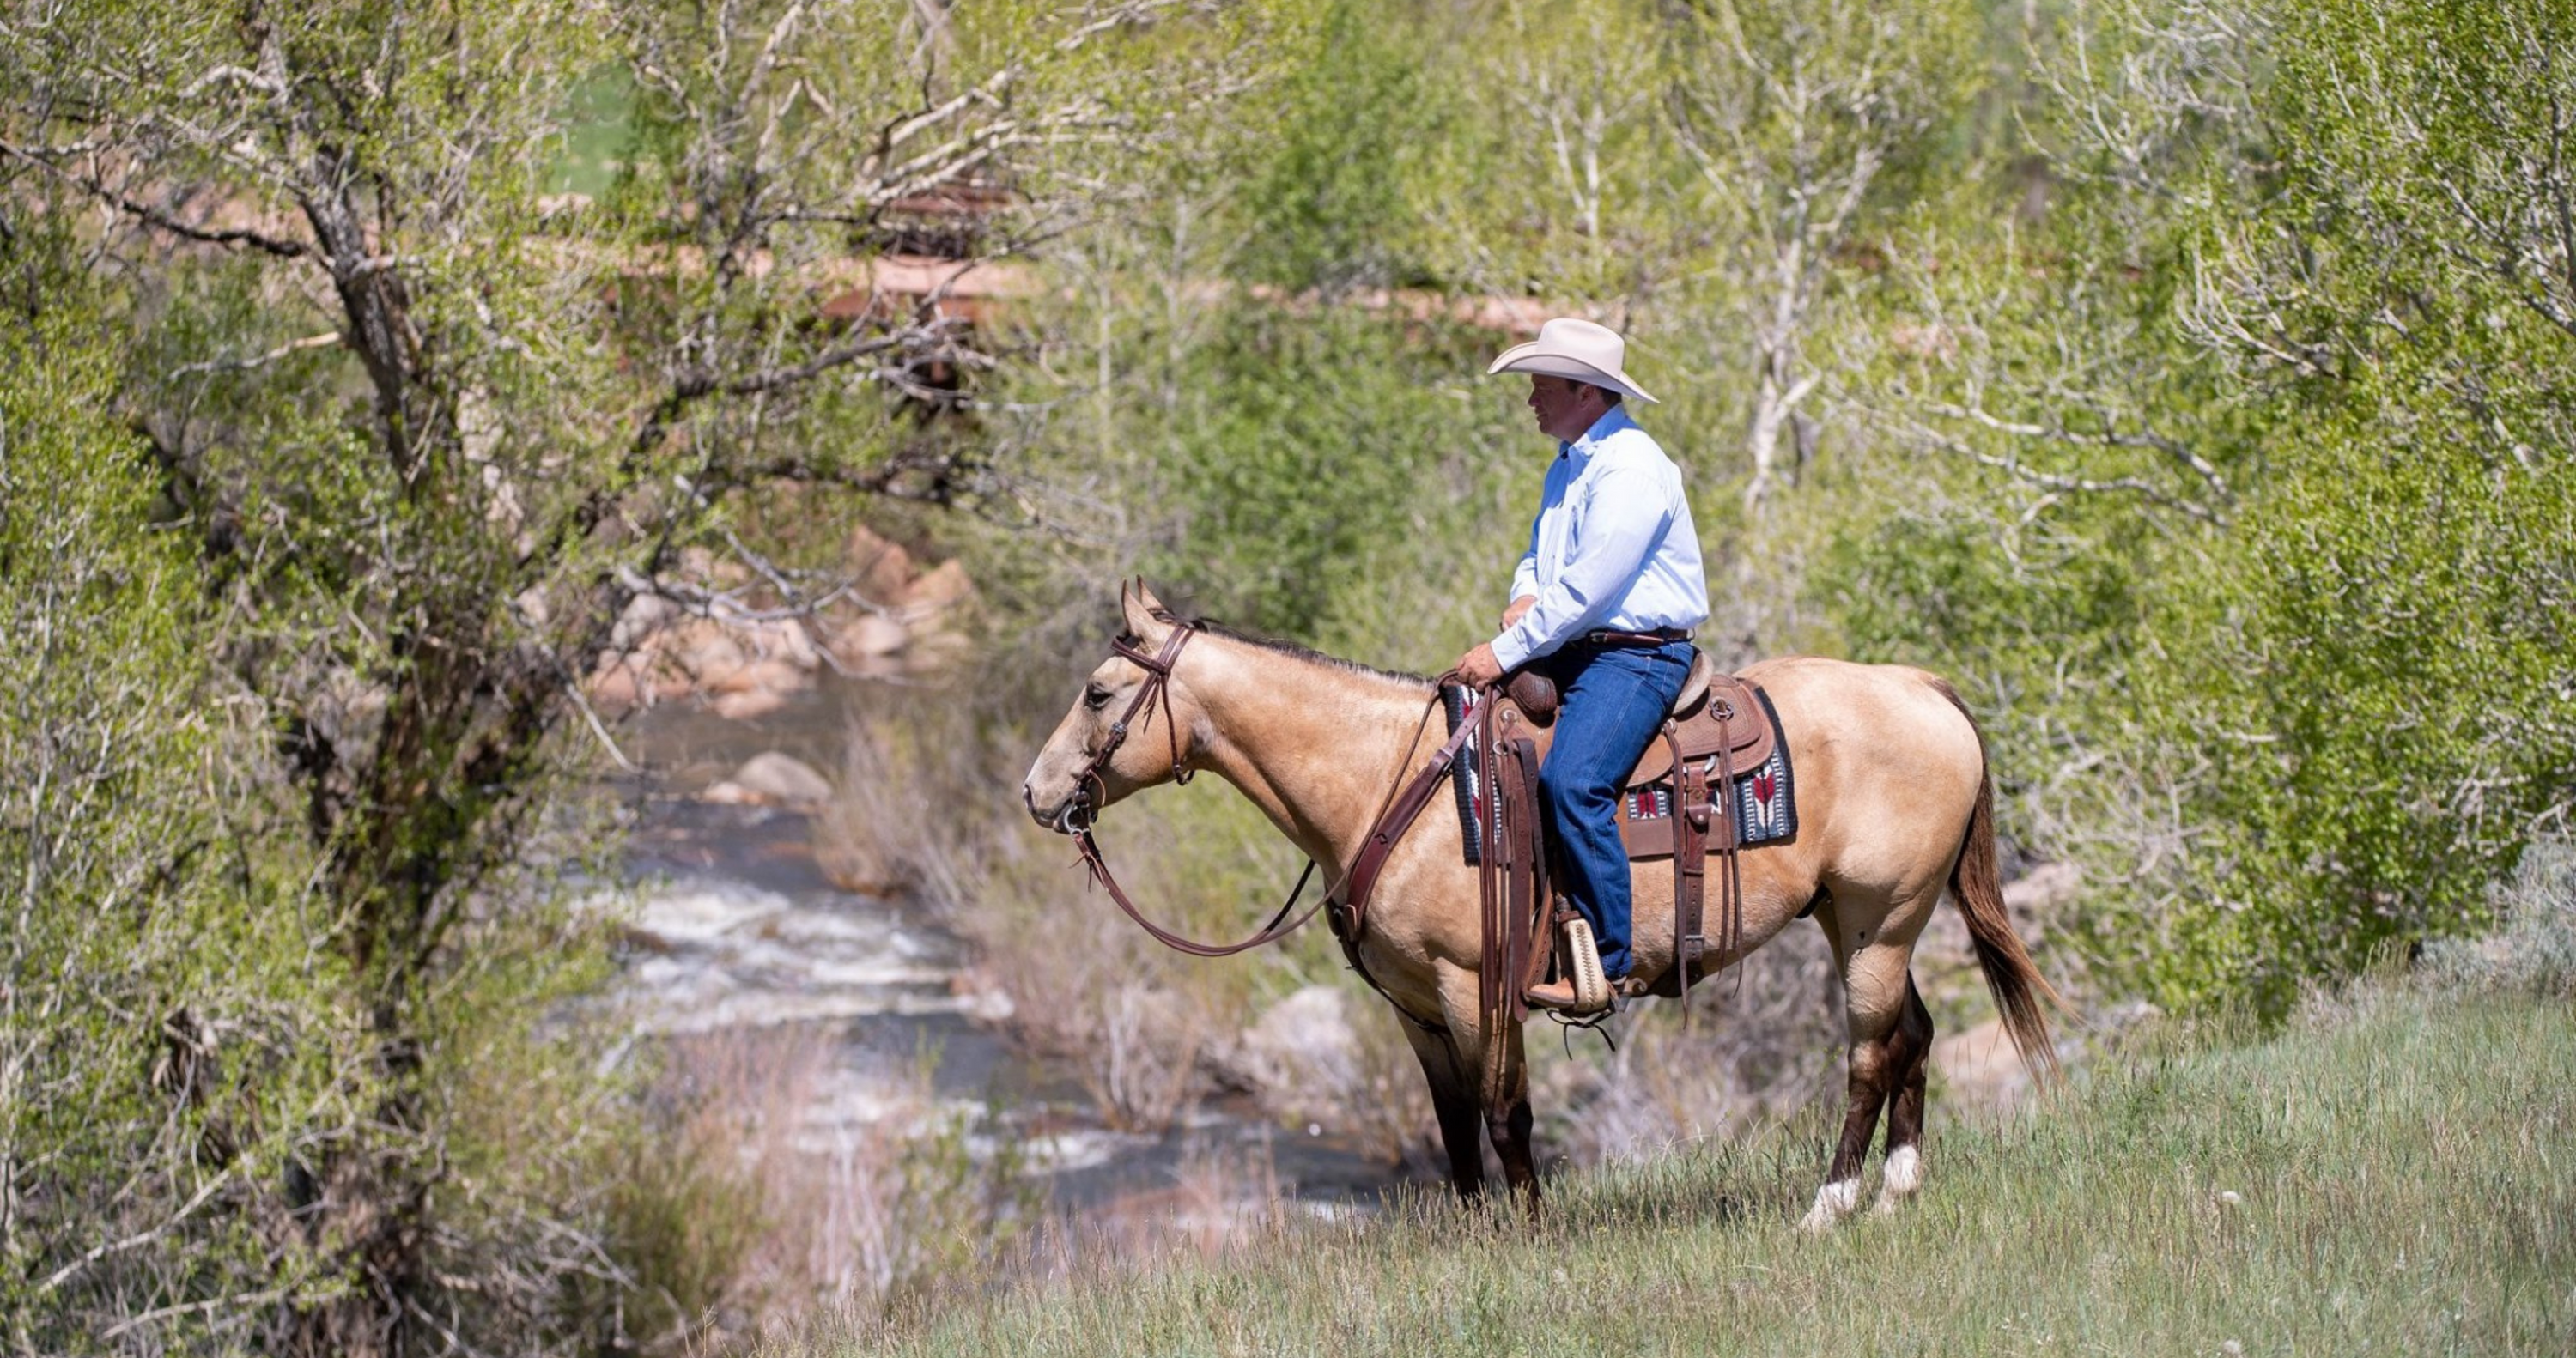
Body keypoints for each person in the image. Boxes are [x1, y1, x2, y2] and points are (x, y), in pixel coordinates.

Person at [1452, 318, 1710, 1012]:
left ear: (1586, 392)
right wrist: (1523, 594)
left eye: (1542, 386)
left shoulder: (1631, 468)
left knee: (1574, 780)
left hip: (1640, 657)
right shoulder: (1570, 464)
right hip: (1579, 644)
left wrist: (1504, 650)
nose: (1531, 398)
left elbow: (1590, 587)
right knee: (1479, 740)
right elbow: (1541, 559)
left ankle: (1609, 963)